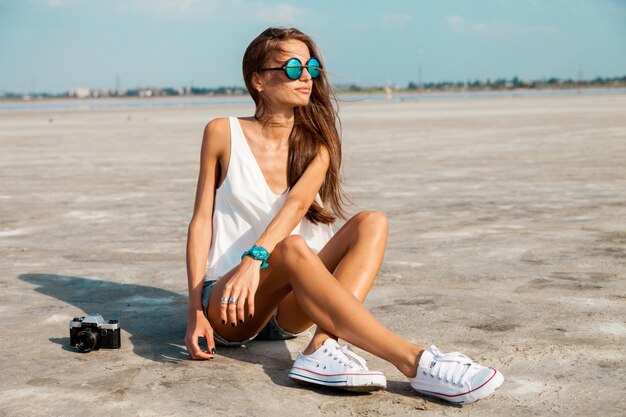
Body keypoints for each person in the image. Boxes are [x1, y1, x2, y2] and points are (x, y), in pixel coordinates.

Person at [184, 27, 504, 404]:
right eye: (291, 68)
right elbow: (201, 220)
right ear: (257, 80)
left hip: (291, 305)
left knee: (372, 221)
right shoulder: (222, 132)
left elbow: (296, 206)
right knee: (290, 247)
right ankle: (415, 361)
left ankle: (320, 346)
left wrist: (257, 259)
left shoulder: (317, 143)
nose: (305, 76)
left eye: (311, 67)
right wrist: (194, 310)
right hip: (232, 300)